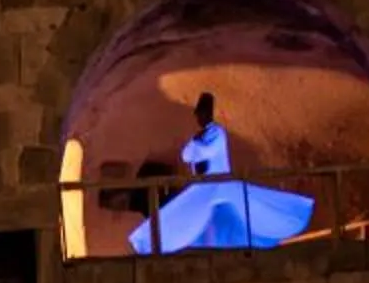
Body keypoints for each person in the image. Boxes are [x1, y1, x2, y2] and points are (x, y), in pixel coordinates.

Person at [126, 92, 316, 254]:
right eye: (198, 114)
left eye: (201, 114)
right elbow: (186, 155)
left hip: (220, 181)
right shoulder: (200, 136)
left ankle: (237, 246)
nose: (199, 118)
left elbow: (204, 151)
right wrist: (195, 146)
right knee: (182, 213)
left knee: (239, 211)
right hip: (204, 184)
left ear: (207, 113)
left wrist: (196, 147)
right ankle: (155, 241)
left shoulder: (216, 132)